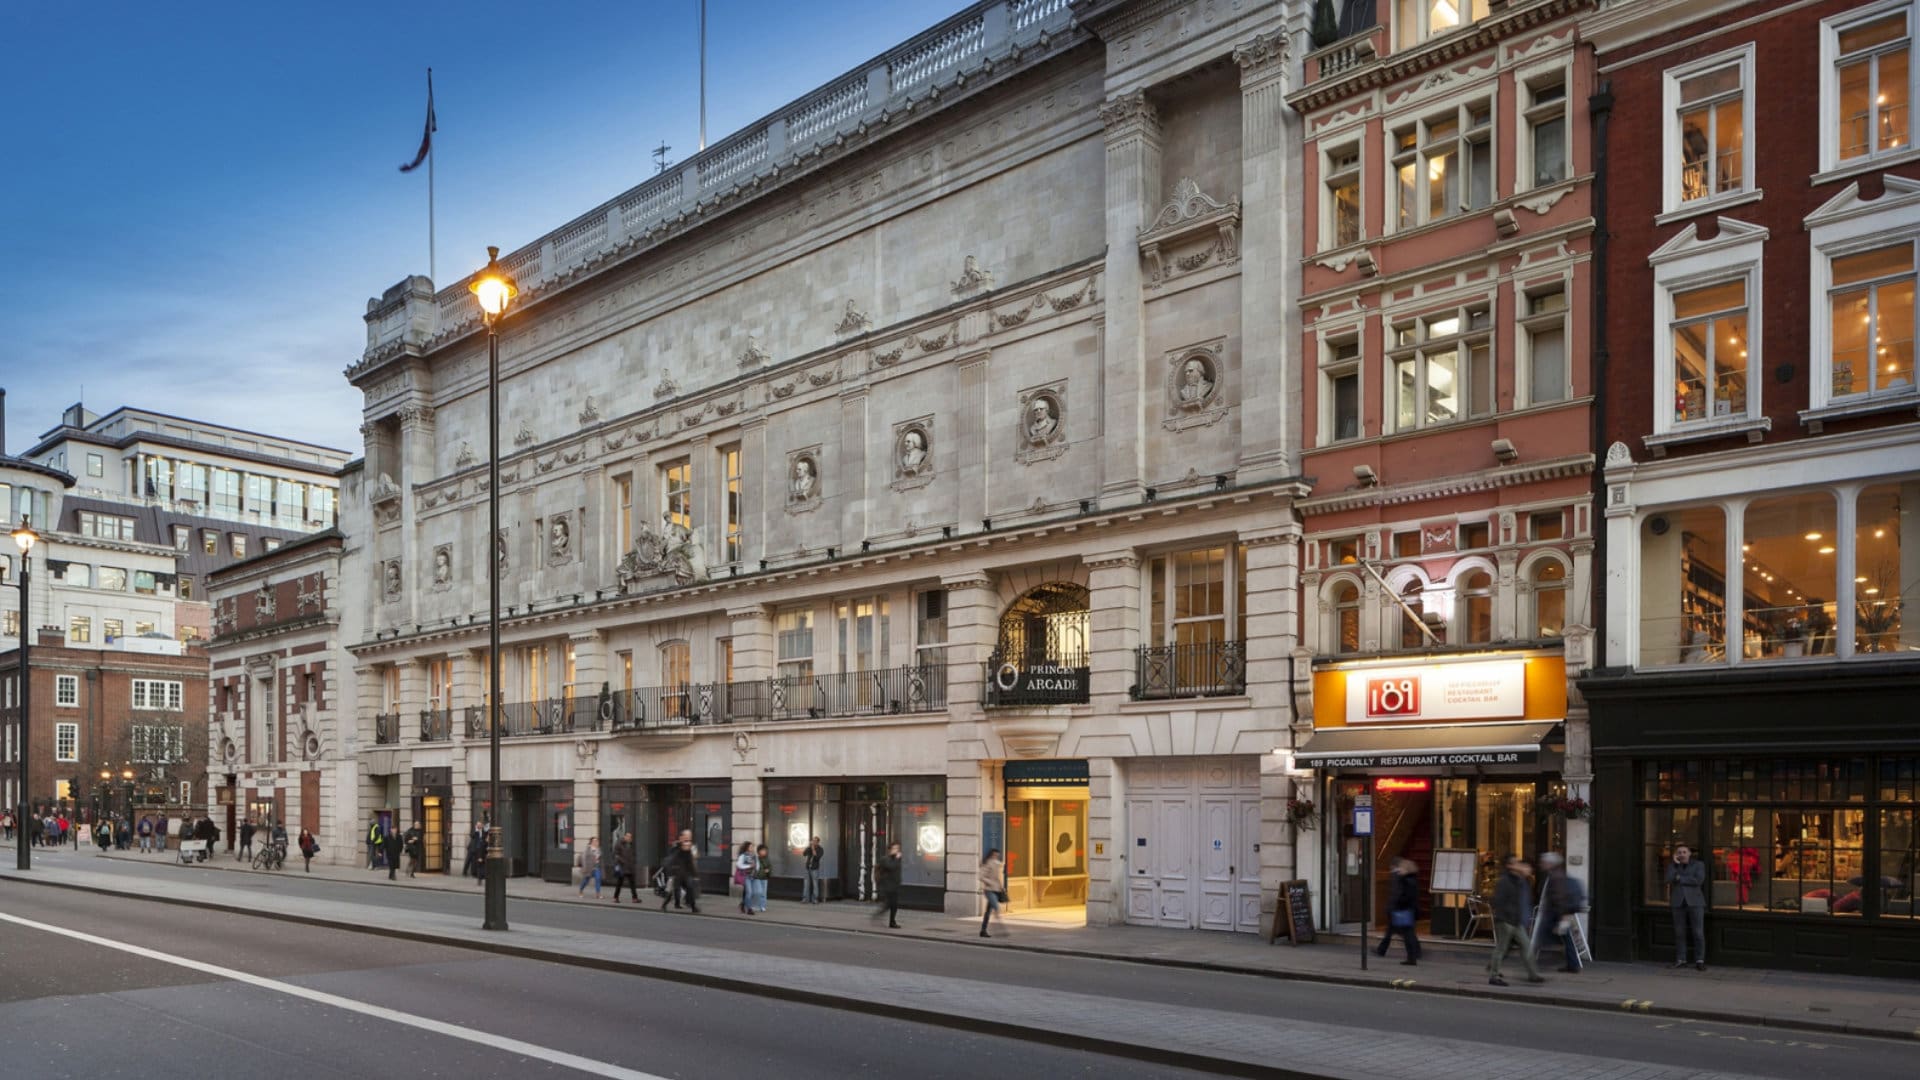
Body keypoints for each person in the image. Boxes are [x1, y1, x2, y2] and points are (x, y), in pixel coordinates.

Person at [1487, 854, 1544, 987]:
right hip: (1506, 921)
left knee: (1526, 946)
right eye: (1515, 862)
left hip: (1516, 921)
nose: (1518, 864)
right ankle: (1493, 976)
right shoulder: (1504, 881)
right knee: (1501, 949)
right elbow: (1498, 901)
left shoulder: (1518, 880)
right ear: (1509, 866)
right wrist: (1505, 917)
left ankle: (1533, 975)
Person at [1536, 852, 1585, 973]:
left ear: (1550, 864)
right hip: (1560, 913)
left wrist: (1563, 916)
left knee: (1541, 938)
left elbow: (1559, 897)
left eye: (1544, 862)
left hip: (1556, 914)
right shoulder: (1559, 874)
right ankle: (1572, 964)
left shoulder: (1555, 876)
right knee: (1567, 939)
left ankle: (1533, 964)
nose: (1541, 864)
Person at [1665, 843, 1708, 971]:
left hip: (1695, 902)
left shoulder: (1698, 865)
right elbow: (1668, 879)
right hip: (1678, 903)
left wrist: (1680, 878)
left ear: (1689, 853)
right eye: (1679, 852)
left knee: (1698, 932)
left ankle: (1700, 960)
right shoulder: (1673, 865)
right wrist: (1675, 865)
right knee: (1679, 932)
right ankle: (1681, 959)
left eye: (1684, 852)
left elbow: (1698, 881)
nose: (1682, 854)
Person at [1376, 857, 1422, 966]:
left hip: (1403, 910)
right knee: (1406, 933)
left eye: (1401, 868)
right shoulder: (1412, 879)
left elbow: (1401, 896)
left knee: (1407, 934)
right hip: (1408, 910)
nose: (1399, 870)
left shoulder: (1405, 880)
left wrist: (1395, 906)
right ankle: (1413, 955)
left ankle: (1413, 956)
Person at [661, 829, 700, 913]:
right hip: (676, 873)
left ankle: (693, 907)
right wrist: (671, 873)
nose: (688, 838)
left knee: (690, 889)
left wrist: (694, 874)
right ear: (681, 837)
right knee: (671, 891)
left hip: (685, 874)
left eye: (689, 836)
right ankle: (664, 905)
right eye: (686, 836)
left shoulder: (688, 847)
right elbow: (671, 860)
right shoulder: (676, 847)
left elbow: (690, 861)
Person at [872, 840, 903, 929]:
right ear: (890, 850)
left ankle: (892, 922)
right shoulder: (885, 859)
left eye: (897, 848)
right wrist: (897, 859)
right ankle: (878, 916)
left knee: (894, 905)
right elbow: (891, 867)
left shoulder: (896, 859)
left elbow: (897, 871)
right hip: (887, 886)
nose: (896, 850)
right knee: (889, 905)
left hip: (895, 885)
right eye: (894, 848)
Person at [979, 848, 1007, 939]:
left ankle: (983, 930)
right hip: (989, 890)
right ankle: (1000, 929)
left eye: (997, 855)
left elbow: (998, 878)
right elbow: (981, 876)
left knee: (988, 911)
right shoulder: (987, 863)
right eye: (995, 855)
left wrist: (1001, 887)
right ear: (991, 855)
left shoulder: (998, 864)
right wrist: (990, 882)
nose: (996, 856)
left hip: (996, 890)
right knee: (996, 907)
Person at [609, 835, 638, 904]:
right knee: (619, 883)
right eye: (628, 837)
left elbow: (633, 854)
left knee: (632, 884)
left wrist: (633, 861)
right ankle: (615, 898)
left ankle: (635, 898)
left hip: (630, 867)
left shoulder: (631, 844)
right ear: (625, 837)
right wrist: (622, 861)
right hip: (622, 867)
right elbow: (615, 855)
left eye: (631, 837)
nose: (630, 838)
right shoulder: (619, 844)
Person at [734, 841, 758, 915]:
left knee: (749, 893)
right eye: (750, 847)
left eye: (752, 847)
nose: (752, 848)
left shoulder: (754, 856)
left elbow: (757, 865)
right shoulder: (743, 856)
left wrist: (756, 869)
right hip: (746, 876)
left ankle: (742, 905)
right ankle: (749, 909)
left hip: (753, 876)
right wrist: (749, 866)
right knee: (749, 892)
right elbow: (738, 865)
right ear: (747, 848)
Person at [802, 836, 825, 904]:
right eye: (813, 841)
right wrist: (809, 847)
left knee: (815, 884)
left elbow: (817, 857)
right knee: (806, 883)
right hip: (808, 868)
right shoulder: (810, 848)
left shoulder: (820, 849)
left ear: (818, 842)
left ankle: (815, 899)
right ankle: (805, 899)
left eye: (815, 841)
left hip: (814, 869)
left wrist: (813, 849)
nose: (813, 842)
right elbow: (804, 853)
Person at [751, 843, 772, 914]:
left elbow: (770, 867)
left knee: (763, 893)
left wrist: (769, 871)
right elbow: (755, 868)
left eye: (765, 850)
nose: (764, 852)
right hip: (757, 877)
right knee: (758, 892)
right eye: (762, 850)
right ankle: (754, 905)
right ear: (759, 851)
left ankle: (762, 906)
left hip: (764, 878)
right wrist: (764, 870)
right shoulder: (756, 858)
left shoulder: (767, 859)